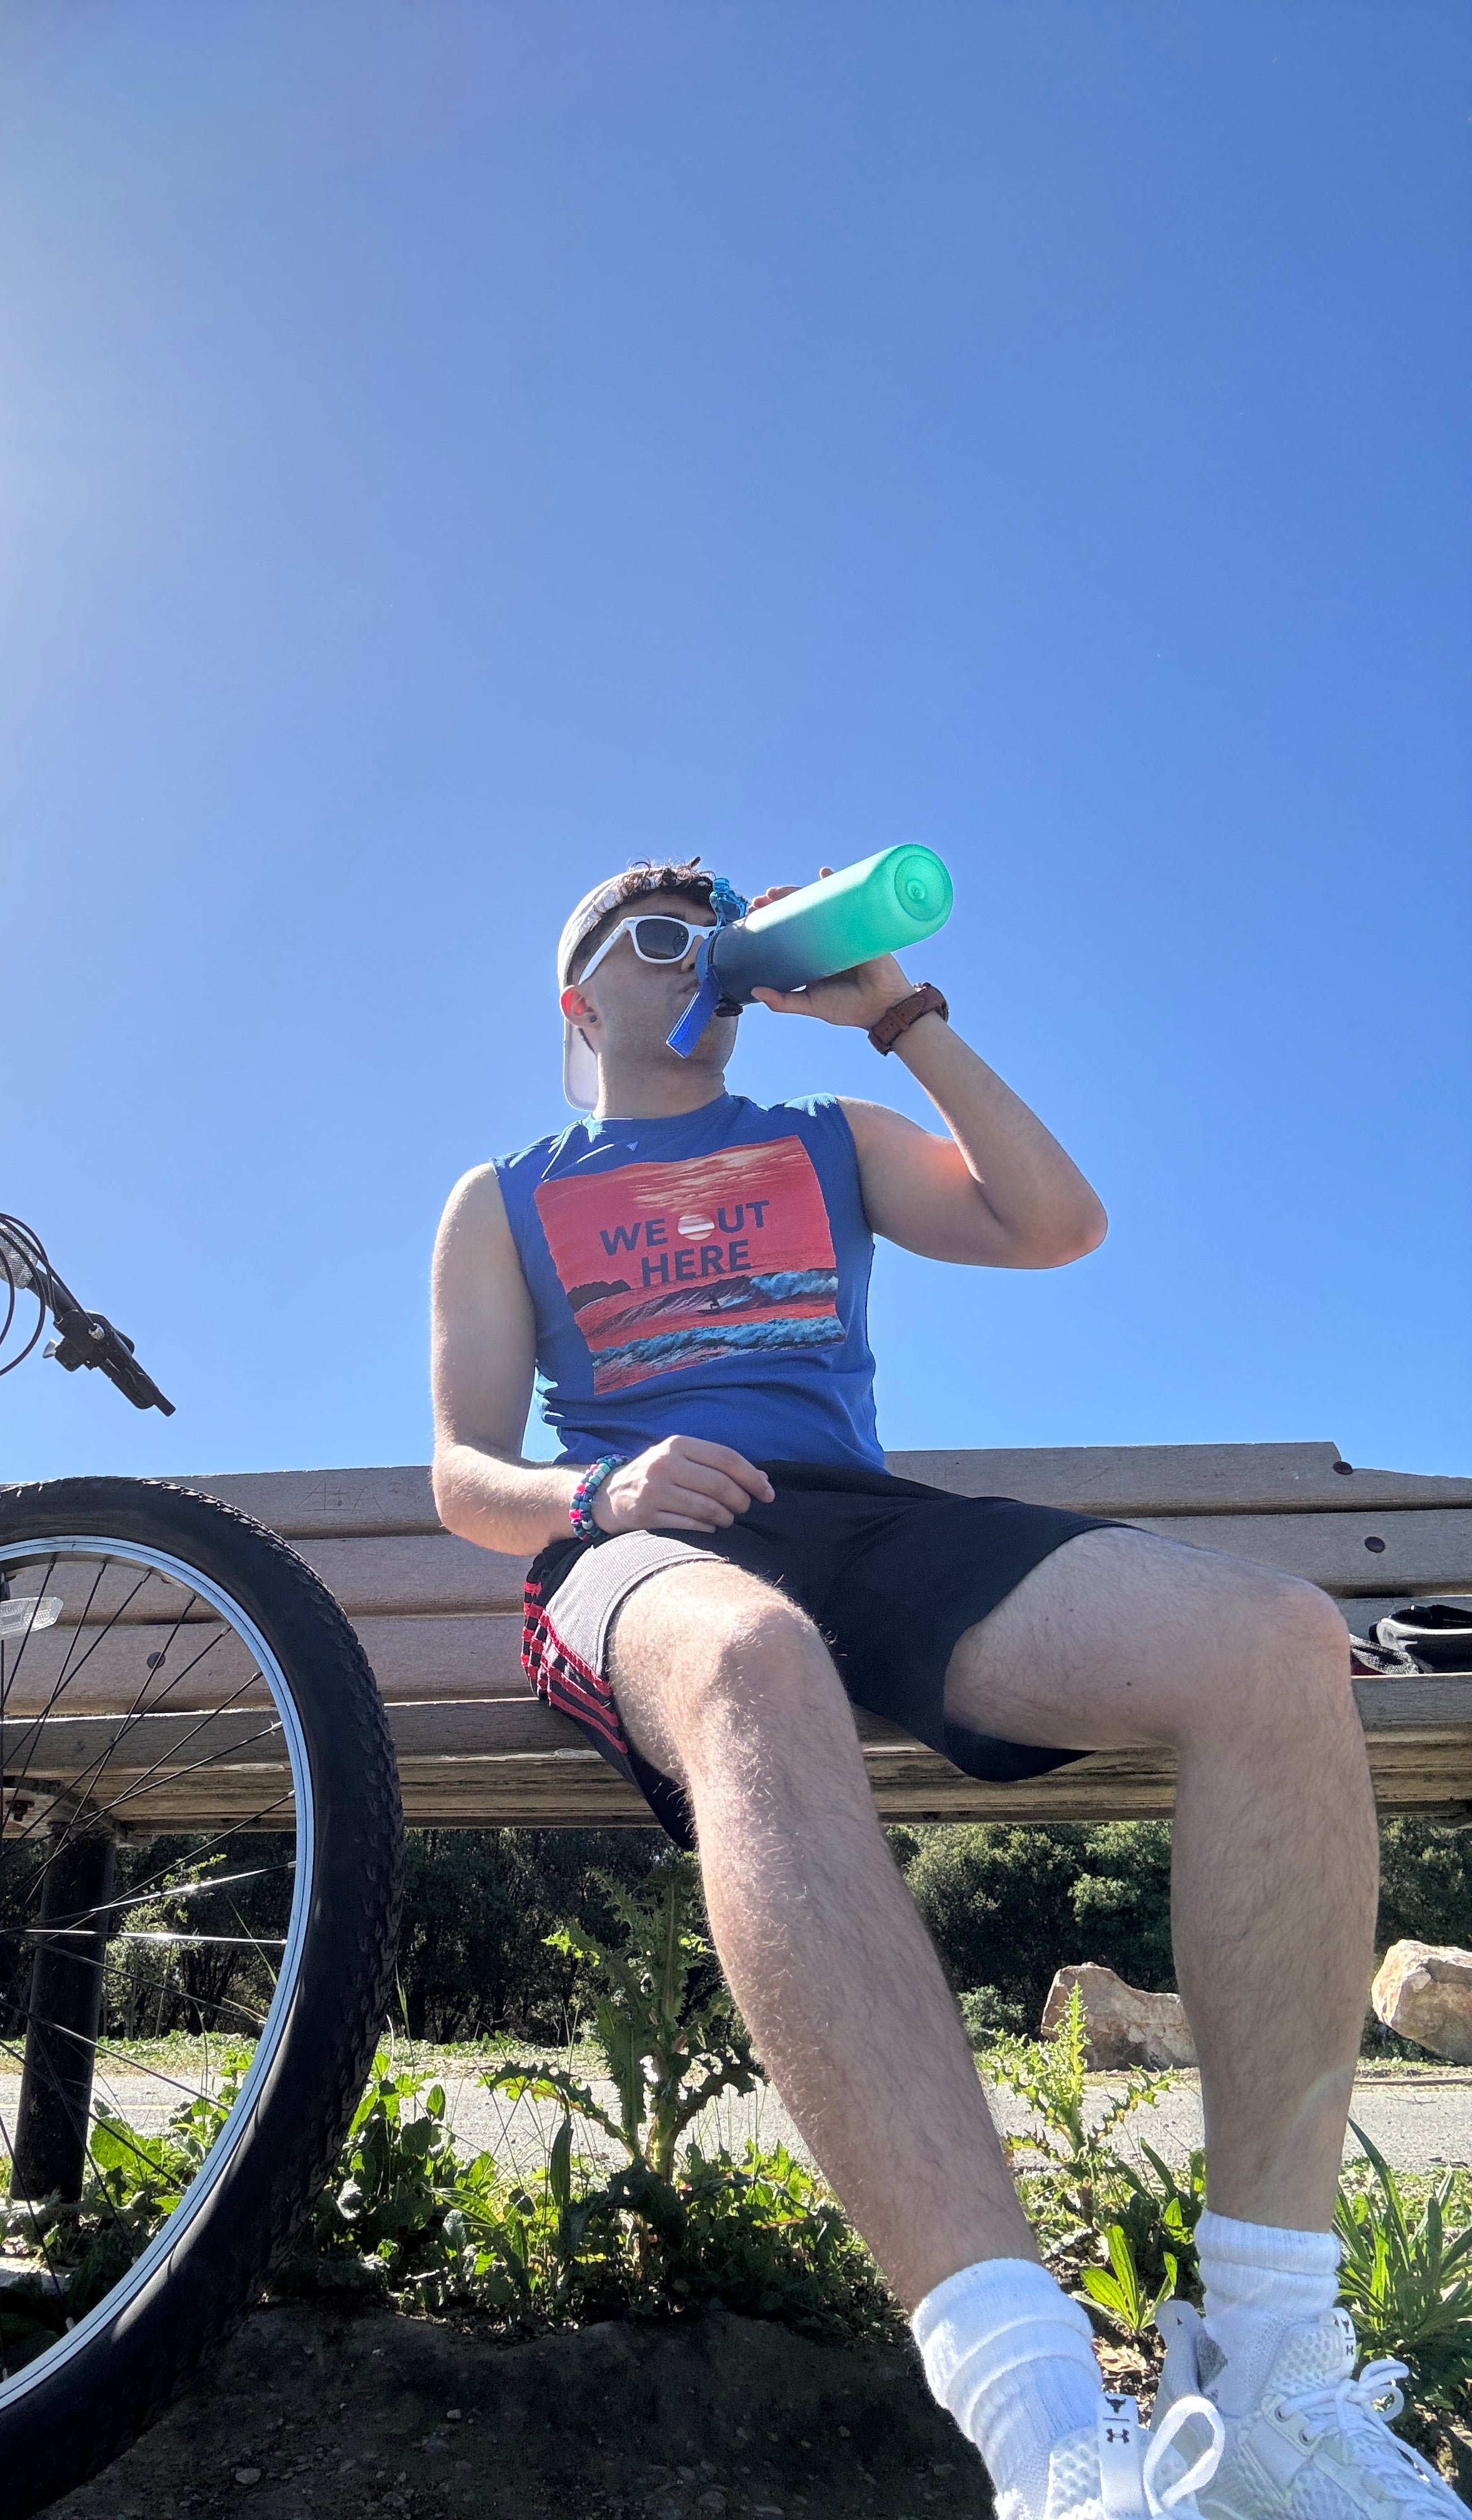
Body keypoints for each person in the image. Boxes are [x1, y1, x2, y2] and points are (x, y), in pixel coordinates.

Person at [429, 860, 1455, 2520]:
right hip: (642, 1545)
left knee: (1270, 1642)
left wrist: (900, 1017)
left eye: (722, 928)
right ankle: (1048, 2437)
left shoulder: (825, 1137)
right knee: (756, 1663)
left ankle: (1270, 2372)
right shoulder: (509, 1191)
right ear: (581, 999)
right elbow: (463, 1475)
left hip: (860, 1520)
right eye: (661, 936)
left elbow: (1055, 1225)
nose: (704, 951)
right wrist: (596, 1499)